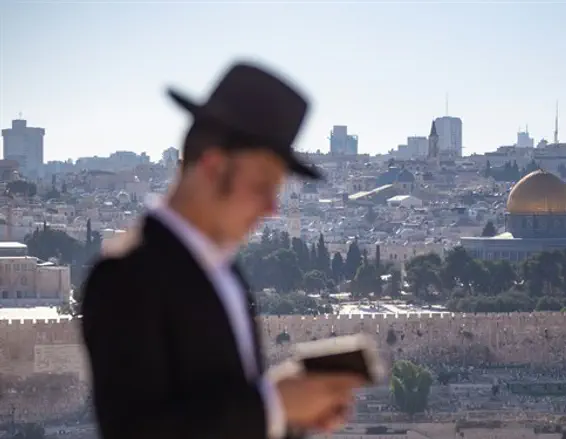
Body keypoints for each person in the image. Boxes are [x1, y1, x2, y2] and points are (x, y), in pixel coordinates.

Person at [80, 62, 366, 439]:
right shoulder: (127, 276)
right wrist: (274, 404)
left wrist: (290, 414)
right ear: (213, 167)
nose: (272, 208)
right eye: (264, 185)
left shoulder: (223, 271)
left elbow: (220, 410)